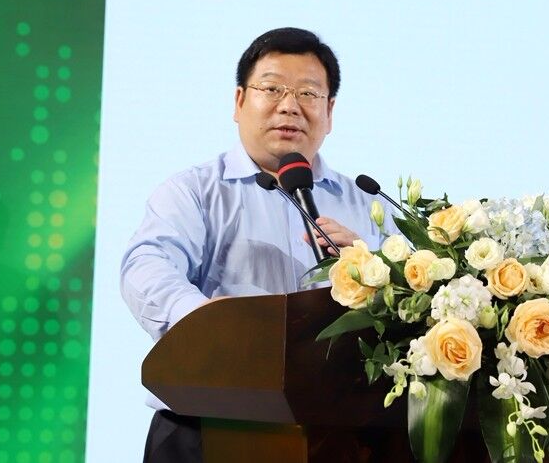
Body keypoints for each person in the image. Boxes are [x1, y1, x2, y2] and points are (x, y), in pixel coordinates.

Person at [121, 27, 389, 462]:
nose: (290, 105)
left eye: (308, 93)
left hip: (341, 435)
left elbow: (415, 304)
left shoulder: (367, 204)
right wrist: (209, 324)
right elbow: (147, 264)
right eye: (272, 88)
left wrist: (376, 270)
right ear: (239, 101)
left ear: (329, 111)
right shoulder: (195, 191)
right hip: (211, 425)